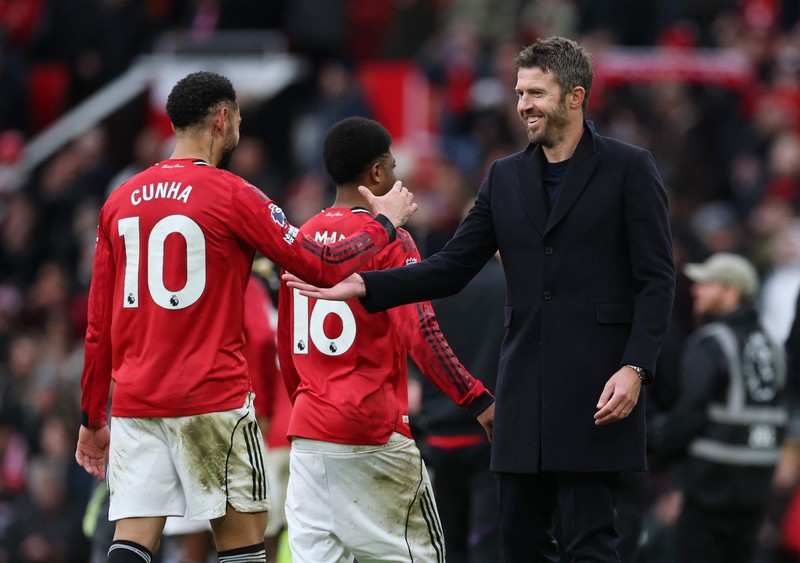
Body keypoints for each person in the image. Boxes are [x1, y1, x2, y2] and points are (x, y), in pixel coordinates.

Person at [284, 36, 675, 563]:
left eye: (536, 92)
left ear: (575, 96)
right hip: (522, 393)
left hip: (598, 388)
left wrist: (636, 368)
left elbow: (657, 279)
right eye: (519, 92)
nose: (523, 104)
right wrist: (370, 286)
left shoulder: (630, 168)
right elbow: (451, 267)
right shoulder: (504, 175)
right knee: (514, 544)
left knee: (591, 543)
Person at [74, 71, 417, 563]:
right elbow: (322, 268)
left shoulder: (119, 201)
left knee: (132, 542)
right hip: (214, 397)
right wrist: (383, 223)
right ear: (222, 119)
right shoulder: (234, 194)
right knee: (242, 545)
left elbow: (97, 325)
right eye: (237, 116)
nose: (239, 125)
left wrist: (91, 417)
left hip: (136, 401)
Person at [276, 116, 495, 563]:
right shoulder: (392, 240)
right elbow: (421, 332)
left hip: (310, 437)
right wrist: (475, 398)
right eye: (393, 167)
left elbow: (288, 347)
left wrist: (311, 407)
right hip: (371, 434)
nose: (398, 178)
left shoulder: (301, 239)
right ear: (376, 173)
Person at [648, 252, 787, 563]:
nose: (697, 290)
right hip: (757, 486)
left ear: (731, 292)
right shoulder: (771, 346)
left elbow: (687, 418)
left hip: (710, 488)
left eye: (708, 284)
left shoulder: (712, 342)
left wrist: (656, 458)